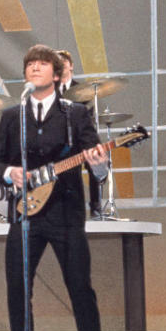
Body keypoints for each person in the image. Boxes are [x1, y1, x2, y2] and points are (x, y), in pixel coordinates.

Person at [0, 44, 115, 331]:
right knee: (18, 292)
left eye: (42, 64)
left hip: (66, 214)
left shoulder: (76, 113)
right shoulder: (13, 116)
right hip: (24, 215)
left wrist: (100, 163)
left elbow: (94, 159)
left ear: (58, 75)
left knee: (81, 291)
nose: (34, 69)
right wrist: (10, 171)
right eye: (30, 64)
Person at [58, 49, 103, 219]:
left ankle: (96, 207)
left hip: (82, 135)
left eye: (64, 63)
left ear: (71, 66)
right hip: (63, 139)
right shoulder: (50, 91)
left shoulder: (82, 89)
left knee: (95, 158)